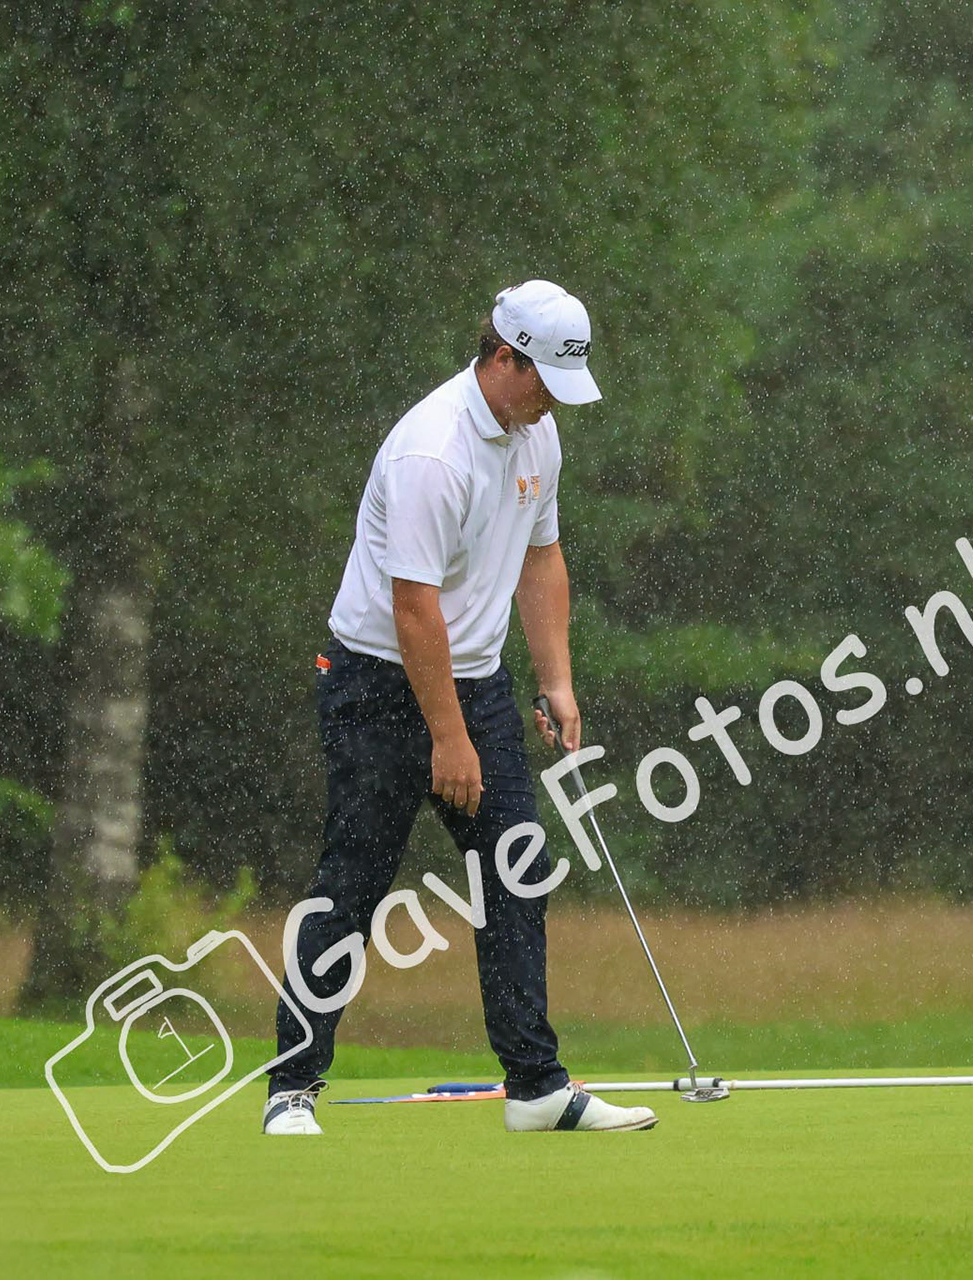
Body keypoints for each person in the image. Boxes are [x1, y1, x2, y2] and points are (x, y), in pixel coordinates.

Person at [262, 279, 657, 1136]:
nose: (553, 400)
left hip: (472, 682)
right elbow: (414, 609)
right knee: (353, 886)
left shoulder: (536, 433)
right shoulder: (430, 451)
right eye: (543, 378)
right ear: (504, 357)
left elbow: (541, 561)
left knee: (519, 868)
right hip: (375, 685)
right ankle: (290, 1089)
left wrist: (556, 678)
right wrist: (448, 738)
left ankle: (536, 1088)